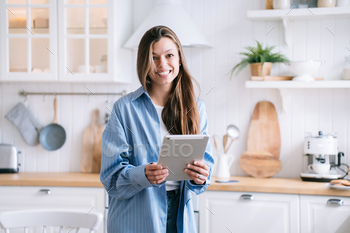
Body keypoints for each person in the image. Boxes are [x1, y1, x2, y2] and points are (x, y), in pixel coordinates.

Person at [100, 25, 214, 233]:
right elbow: (111, 178)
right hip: (134, 219)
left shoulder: (196, 108)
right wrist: (142, 174)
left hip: (179, 218)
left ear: (179, 58)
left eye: (169, 55)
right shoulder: (124, 109)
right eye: (154, 57)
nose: (162, 64)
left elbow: (205, 168)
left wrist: (201, 175)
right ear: (144, 62)